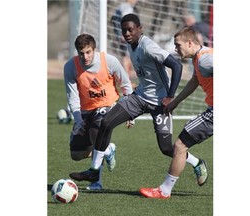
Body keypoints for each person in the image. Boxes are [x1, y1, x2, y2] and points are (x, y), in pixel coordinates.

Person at [69, 14, 207, 187]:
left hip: (159, 102)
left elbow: (176, 66)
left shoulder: (148, 46)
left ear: (139, 29)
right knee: (106, 122)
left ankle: (197, 162)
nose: (127, 33)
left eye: (130, 29)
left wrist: (170, 96)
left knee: (166, 148)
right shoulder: (130, 45)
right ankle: (94, 171)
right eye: (124, 30)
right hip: (139, 97)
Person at [139, 27, 213, 199]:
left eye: (178, 45)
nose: (176, 49)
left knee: (180, 146)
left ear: (189, 43)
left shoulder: (205, 60)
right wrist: (175, 102)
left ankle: (164, 190)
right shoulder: (200, 59)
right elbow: (194, 81)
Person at [63, 33, 133, 190]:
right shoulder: (70, 67)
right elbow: (73, 98)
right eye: (81, 53)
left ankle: (97, 182)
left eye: (88, 52)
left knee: (97, 132)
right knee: (76, 154)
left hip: (109, 105)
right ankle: (108, 149)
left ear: (94, 49)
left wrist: (131, 112)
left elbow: (126, 84)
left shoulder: (109, 61)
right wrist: (78, 119)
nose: (85, 56)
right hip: (86, 110)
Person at [111, 0, 138, 86]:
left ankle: (126, 80)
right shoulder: (127, 7)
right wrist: (125, 33)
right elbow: (126, 20)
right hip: (125, 36)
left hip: (122, 36)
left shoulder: (121, 6)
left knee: (125, 57)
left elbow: (113, 19)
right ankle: (127, 81)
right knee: (127, 57)